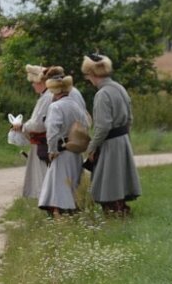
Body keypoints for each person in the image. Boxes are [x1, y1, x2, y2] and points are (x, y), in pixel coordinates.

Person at [82, 53, 141, 214]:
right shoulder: (119, 88)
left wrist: (92, 147)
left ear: (92, 74)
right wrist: (126, 139)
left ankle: (116, 212)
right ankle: (120, 209)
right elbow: (129, 118)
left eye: (87, 75)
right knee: (119, 179)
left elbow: (102, 126)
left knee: (108, 180)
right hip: (122, 139)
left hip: (110, 142)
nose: (88, 79)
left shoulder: (102, 94)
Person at [39, 75, 90, 217]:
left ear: (54, 90)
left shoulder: (55, 106)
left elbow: (52, 131)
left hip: (62, 151)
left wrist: (52, 149)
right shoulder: (77, 106)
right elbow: (86, 125)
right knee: (73, 184)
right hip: (76, 151)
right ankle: (73, 213)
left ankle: (59, 215)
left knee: (58, 187)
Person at [12, 64, 51, 199]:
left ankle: (43, 199)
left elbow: (39, 124)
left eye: (34, 83)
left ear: (41, 82)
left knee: (41, 175)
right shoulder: (45, 96)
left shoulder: (47, 97)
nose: (33, 86)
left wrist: (23, 126)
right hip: (40, 141)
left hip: (43, 142)